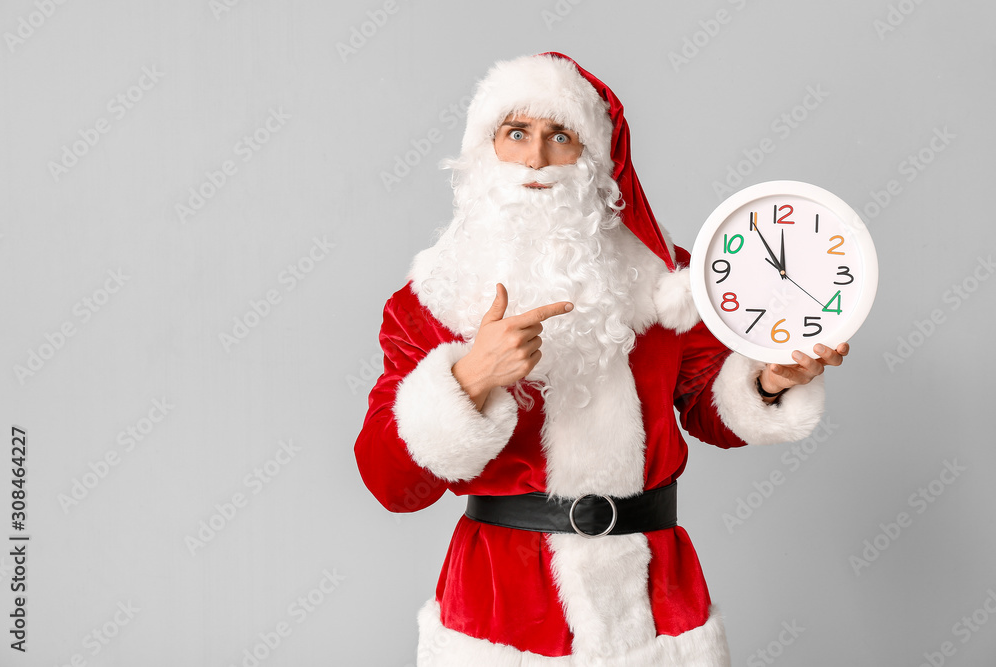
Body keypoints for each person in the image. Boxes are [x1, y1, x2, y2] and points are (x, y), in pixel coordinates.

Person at [354, 52, 846, 666]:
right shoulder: (428, 301)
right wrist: (469, 379)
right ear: (486, 150)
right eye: (516, 133)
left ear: (594, 157)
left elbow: (707, 405)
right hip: (502, 603)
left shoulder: (664, 280)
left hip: (652, 598)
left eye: (560, 136)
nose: (535, 159)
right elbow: (391, 483)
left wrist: (769, 380)